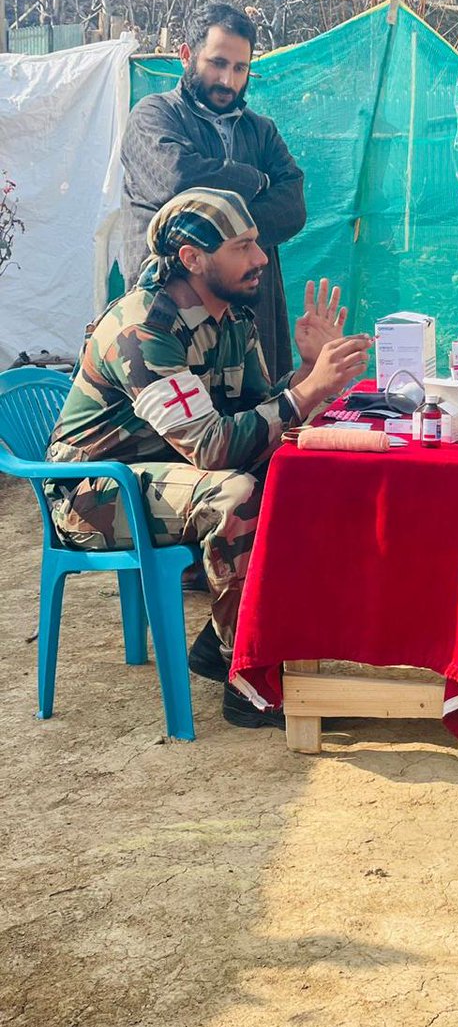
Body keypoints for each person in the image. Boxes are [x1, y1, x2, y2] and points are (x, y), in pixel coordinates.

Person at [46, 187, 372, 729]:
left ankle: (216, 646)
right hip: (96, 490)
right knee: (235, 494)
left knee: (305, 472)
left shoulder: (231, 319)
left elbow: (256, 418)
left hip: (170, 472)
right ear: (193, 259)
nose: (261, 258)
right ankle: (250, 685)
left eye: (257, 244)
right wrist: (307, 393)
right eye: (242, 246)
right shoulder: (143, 329)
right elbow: (214, 448)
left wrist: (303, 375)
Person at [120, 2, 305, 381]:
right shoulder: (153, 115)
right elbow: (178, 179)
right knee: (176, 428)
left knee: (258, 420)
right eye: (217, 63)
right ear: (187, 55)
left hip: (249, 308)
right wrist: (257, 181)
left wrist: (215, 231)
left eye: (240, 68)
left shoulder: (261, 130)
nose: (228, 80)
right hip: (171, 309)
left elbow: (292, 207)